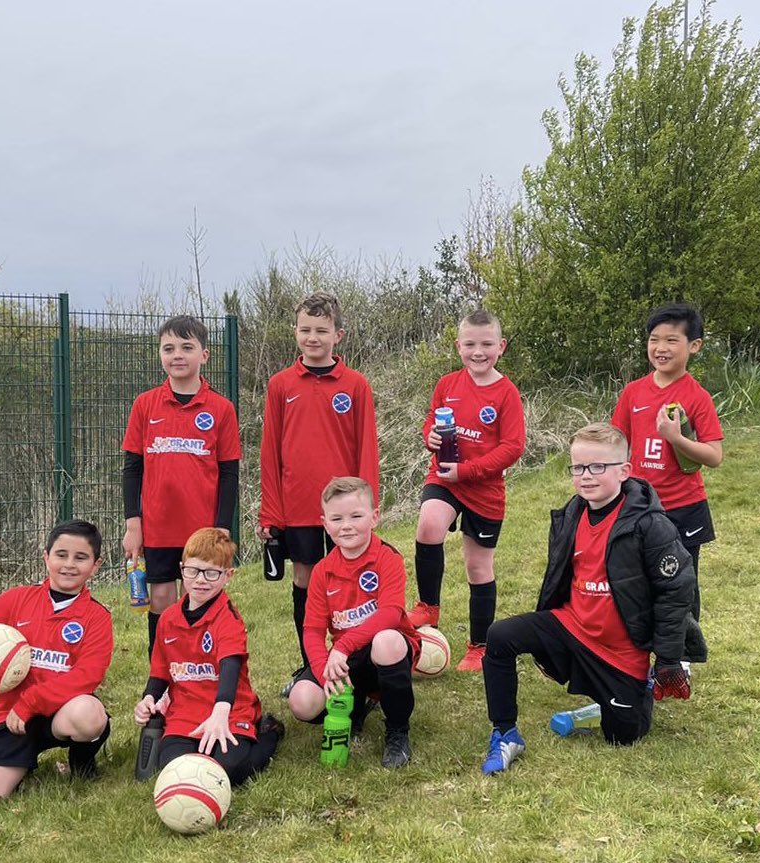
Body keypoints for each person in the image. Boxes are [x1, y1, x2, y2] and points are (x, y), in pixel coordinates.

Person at [479, 423, 706, 775]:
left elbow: (676, 593)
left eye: (598, 466)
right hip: (573, 625)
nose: (586, 476)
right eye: (578, 467)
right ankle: (505, 733)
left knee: (622, 736)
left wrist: (667, 660)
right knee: (499, 636)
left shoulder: (650, 525)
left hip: (621, 650)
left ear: (624, 471)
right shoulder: (572, 512)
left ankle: (636, 691)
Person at [0, 519, 113, 810]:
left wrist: (31, 702)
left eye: (81, 558)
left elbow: (87, 676)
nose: (69, 564)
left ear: (96, 565)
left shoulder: (96, 617)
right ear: (46, 557)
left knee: (89, 713)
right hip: (11, 718)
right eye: (61, 555)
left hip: (59, 713)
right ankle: (22, 763)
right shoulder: (17, 600)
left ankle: (82, 764)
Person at [258, 291, 379, 695]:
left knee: (353, 583)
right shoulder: (280, 385)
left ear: (338, 335)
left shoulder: (357, 385)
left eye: (321, 331)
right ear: (295, 332)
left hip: (346, 511)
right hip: (298, 508)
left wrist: (366, 506)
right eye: (306, 330)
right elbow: (270, 452)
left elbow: (367, 448)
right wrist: (271, 514)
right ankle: (312, 666)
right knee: (308, 583)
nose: (313, 337)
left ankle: (359, 668)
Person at [407, 308, 526, 672]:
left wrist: (469, 471)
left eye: (487, 344)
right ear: (458, 346)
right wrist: (429, 436)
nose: (479, 352)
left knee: (478, 567)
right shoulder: (447, 384)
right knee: (428, 524)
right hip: (444, 478)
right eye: (471, 344)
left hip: (483, 489)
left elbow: (513, 447)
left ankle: (479, 646)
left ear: (501, 346)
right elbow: (432, 420)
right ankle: (429, 606)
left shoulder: (506, 393)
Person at [122, 315, 241, 657]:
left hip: (202, 529)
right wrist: (134, 524)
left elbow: (229, 473)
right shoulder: (145, 405)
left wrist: (222, 525)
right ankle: (161, 681)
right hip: (158, 526)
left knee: (201, 596)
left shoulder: (221, 409)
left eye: (187, 347)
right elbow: (132, 470)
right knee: (162, 599)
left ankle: (200, 672)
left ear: (205, 354)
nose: (177, 355)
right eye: (169, 348)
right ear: (159, 354)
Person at [286, 477, 421, 769]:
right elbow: (312, 630)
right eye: (337, 518)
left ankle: (398, 731)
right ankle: (355, 705)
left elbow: (391, 613)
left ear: (374, 517)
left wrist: (343, 646)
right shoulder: (322, 571)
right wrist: (325, 672)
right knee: (301, 701)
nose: (346, 525)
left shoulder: (387, 557)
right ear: (325, 524)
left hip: (388, 650)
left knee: (386, 641)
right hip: (348, 660)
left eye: (356, 516)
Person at [133, 528, 284, 785]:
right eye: (193, 571)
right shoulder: (168, 619)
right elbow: (160, 671)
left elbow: (230, 666)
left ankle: (269, 732)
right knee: (175, 770)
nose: (200, 580)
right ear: (182, 570)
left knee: (228, 770)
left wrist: (221, 712)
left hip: (229, 710)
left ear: (228, 576)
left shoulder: (228, 619)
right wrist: (148, 699)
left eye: (211, 573)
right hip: (185, 712)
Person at [612, 301, 723, 625]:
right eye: (654, 339)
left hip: (684, 508)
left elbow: (714, 456)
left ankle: (681, 659)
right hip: (639, 505)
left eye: (671, 340)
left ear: (694, 345)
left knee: (681, 583)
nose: (661, 348)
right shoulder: (633, 392)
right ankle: (637, 653)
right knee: (638, 582)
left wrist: (675, 438)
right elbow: (617, 443)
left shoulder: (697, 396)